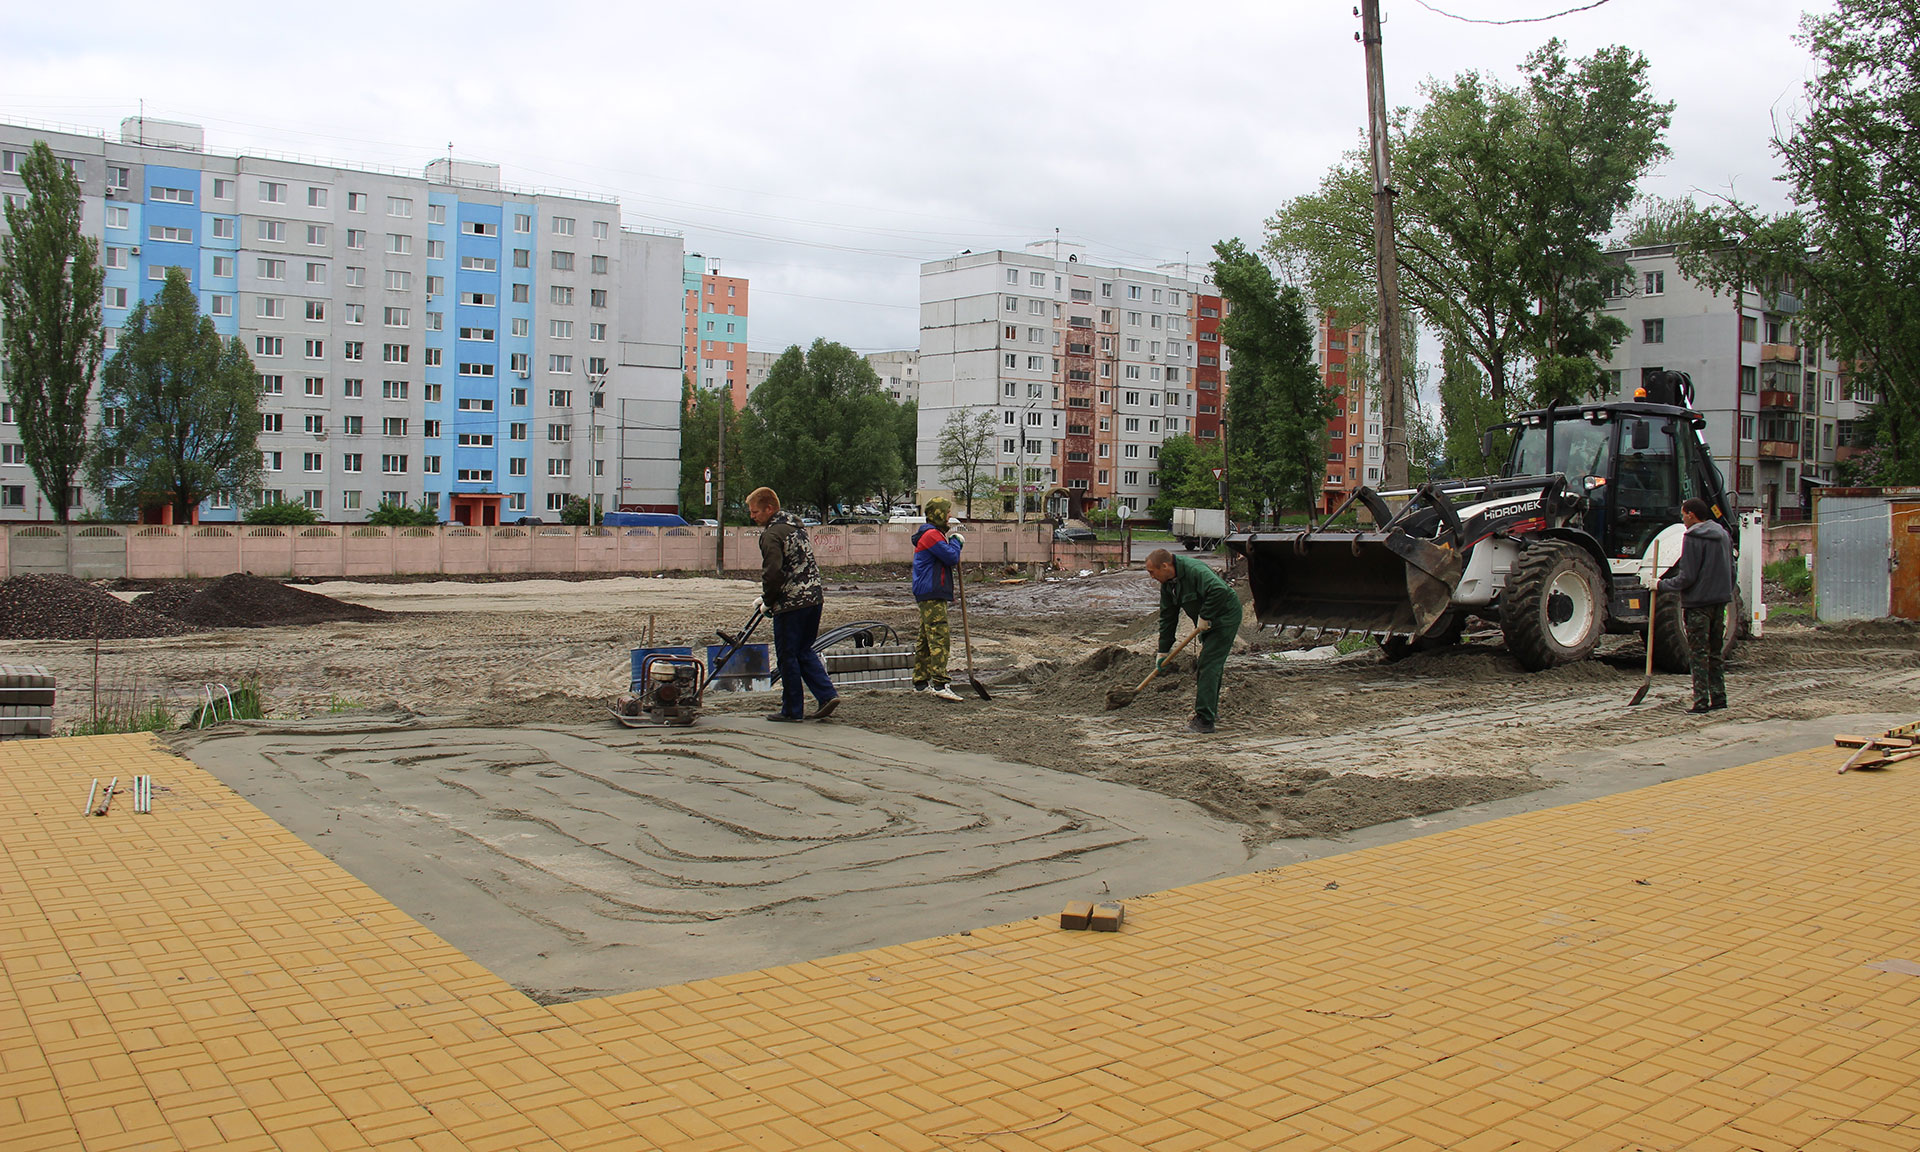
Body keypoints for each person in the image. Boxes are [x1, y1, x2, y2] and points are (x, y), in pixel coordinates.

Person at [746, 487, 839, 722]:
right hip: (814, 598)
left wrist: (768, 600)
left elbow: (773, 573)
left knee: (787, 656)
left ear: (769, 509)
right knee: (804, 650)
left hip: (791, 603)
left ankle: (791, 710)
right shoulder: (797, 528)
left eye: (755, 511)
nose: (752, 516)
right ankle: (827, 695)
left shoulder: (771, 535)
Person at [1144, 548, 1243, 734]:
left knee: (1208, 663)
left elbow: (1219, 590)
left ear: (1164, 566)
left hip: (1225, 617)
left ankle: (1205, 720)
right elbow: (1167, 618)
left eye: (1152, 572)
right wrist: (1163, 651)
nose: (1152, 577)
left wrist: (1205, 615)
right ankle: (1210, 710)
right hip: (1207, 622)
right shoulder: (1168, 585)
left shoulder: (1194, 570)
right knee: (1209, 664)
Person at [1658, 496, 1734, 713]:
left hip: (1698, 605)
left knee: (1698, 654)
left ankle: (1701, 701)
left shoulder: (1692, 537)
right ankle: (1719, 697)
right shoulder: (1723, 535)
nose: (1682, 519)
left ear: (1691, 515)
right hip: (1720, 601)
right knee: (1715, 652)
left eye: (1683, 515)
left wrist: (1661, 584)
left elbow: (1687, 577)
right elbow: (1732, 570)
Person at [911, 498, 965, 701]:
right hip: (932, 591)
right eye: (947, 511)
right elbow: (951, 557)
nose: (950, 515)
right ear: (939, 514)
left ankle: (920, 682)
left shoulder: (933, 534)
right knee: (939, 636)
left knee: (926, 638)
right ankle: (941, 683)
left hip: (928, 591)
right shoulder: (932, 535)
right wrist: (956, 542)